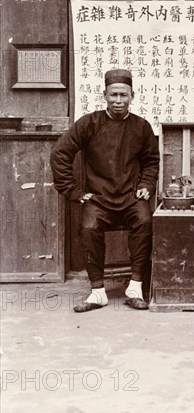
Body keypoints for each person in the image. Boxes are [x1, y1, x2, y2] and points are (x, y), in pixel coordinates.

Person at [50, 69, 160, 312]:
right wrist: (73, 191)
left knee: (144, 221)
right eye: (113, 95)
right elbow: (60, 153)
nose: (118, 101)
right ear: (105, 95)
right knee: (89, 227)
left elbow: (151, 161)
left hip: (131, 197)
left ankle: (135, 286)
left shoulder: (141, 127)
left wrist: (146, 185)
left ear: (133, 96)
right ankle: (98, 291)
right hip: (98, 199)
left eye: (123, 95)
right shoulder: (89, 123)